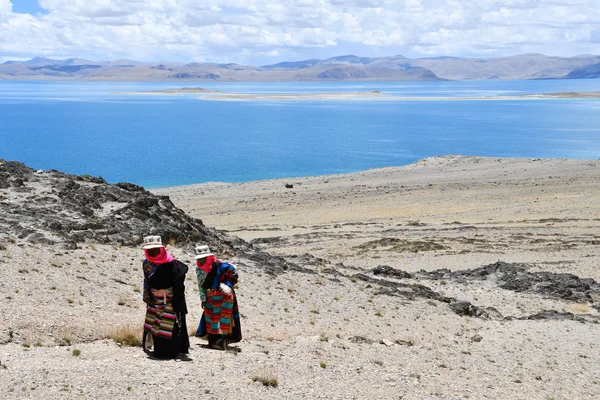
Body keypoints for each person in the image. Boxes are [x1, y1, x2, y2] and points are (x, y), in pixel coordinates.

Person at [141, 235, 190, 359]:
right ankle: (156, 348)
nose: (152, 252)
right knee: (155, 325)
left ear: (161, 249)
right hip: (154, 299)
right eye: (150, 250)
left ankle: (170, 351)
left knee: (169, 326)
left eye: (155, 249)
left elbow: (178, 284)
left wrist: (177, 301)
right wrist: (147, 295)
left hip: (169, 300)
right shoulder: (146, 263)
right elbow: (146, 280)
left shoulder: (172, 263)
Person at [194, 244, 242, 350]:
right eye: (199, 259)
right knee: (211, 319)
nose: (201, 261)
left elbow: (233, 274)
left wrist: (227, 286)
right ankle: (214, 341)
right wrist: (203, 299)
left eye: (203, 258)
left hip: (224, 297)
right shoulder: (199, 270)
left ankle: (222, 341)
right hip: (210, 297)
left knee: (223, 319)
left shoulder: (220, 266)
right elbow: (201, 285)